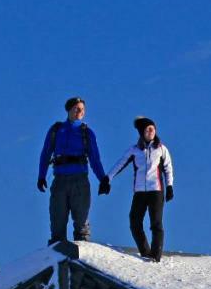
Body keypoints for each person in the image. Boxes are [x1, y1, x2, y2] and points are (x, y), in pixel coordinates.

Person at [38, 96, 110, 248]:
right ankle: (56, 257)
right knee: (57, 219)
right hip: (60, 180)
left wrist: (103, 179)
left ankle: (82, 257)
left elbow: (95, 158)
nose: (80, 111)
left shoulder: (86, 132)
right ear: (69, 109)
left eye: (82, 109)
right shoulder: (56, 130)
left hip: (80, 180)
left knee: (81, 220)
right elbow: (45, 153)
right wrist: (41, 176)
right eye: (77, 108)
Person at [109, 117, 174, 261]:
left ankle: (156, 256)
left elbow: (168, 169)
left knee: (156, 223)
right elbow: (120, 164)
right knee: (134, 221)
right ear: (142, 132)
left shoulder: (161, 149)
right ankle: (145, 252)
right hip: (139, 192)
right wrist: (107, 179)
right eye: (147, 129)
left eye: (153, 128)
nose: (151, 131)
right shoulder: (134, 150)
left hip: (156, 191)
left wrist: (169, 186)